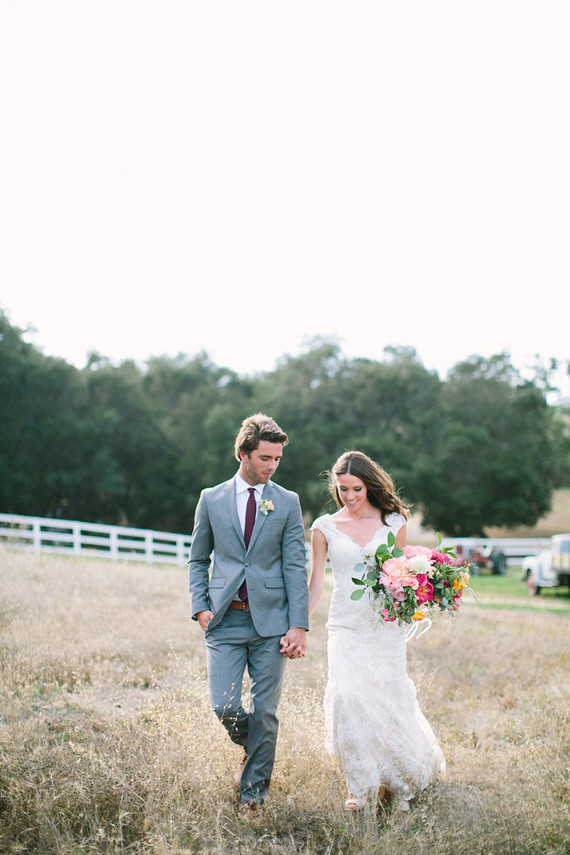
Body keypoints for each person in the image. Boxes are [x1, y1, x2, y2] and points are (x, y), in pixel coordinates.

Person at [308, 451, 445, 814]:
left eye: (356, 489)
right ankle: (360, 785)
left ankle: (401, 784)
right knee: (349, 698)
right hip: (345, 627)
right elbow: (316, 585)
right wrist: (298, 625)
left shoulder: (393, 522)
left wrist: (419, 591)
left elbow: (398, 576)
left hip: (384, 627)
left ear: (369, 485)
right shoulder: (323, 527)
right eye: (343, 489)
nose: (350, 496)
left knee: (388, 698)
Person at [188, 413, 309, 820]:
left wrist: (299, 624)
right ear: (243, 453)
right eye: (264, 458)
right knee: (223, 705)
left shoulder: (287, 501)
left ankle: (252, 798)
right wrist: (200, 607)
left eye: (277, 459)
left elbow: (295, 565)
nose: (272, 466)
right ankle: (250, 745)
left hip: (273, 623)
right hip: (223, 619)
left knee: (266, 711)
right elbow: (197, 558)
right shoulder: (211, 498)